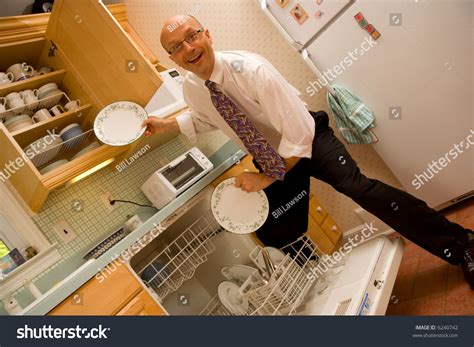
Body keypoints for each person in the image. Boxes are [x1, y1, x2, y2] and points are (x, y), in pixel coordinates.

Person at [142, 15, 474, 288]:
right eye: (177, 47)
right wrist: (167, 125)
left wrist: (265, 177)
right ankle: (320, 282)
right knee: (272, 226)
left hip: (309, 140)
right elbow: (205, 118)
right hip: (271, 157)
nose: (188, 48)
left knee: (358, 188)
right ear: (173, 58)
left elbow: (299, 132)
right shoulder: (192, 88)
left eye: (192, 36)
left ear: (208, 35)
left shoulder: (252, 70)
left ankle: (463, 244)